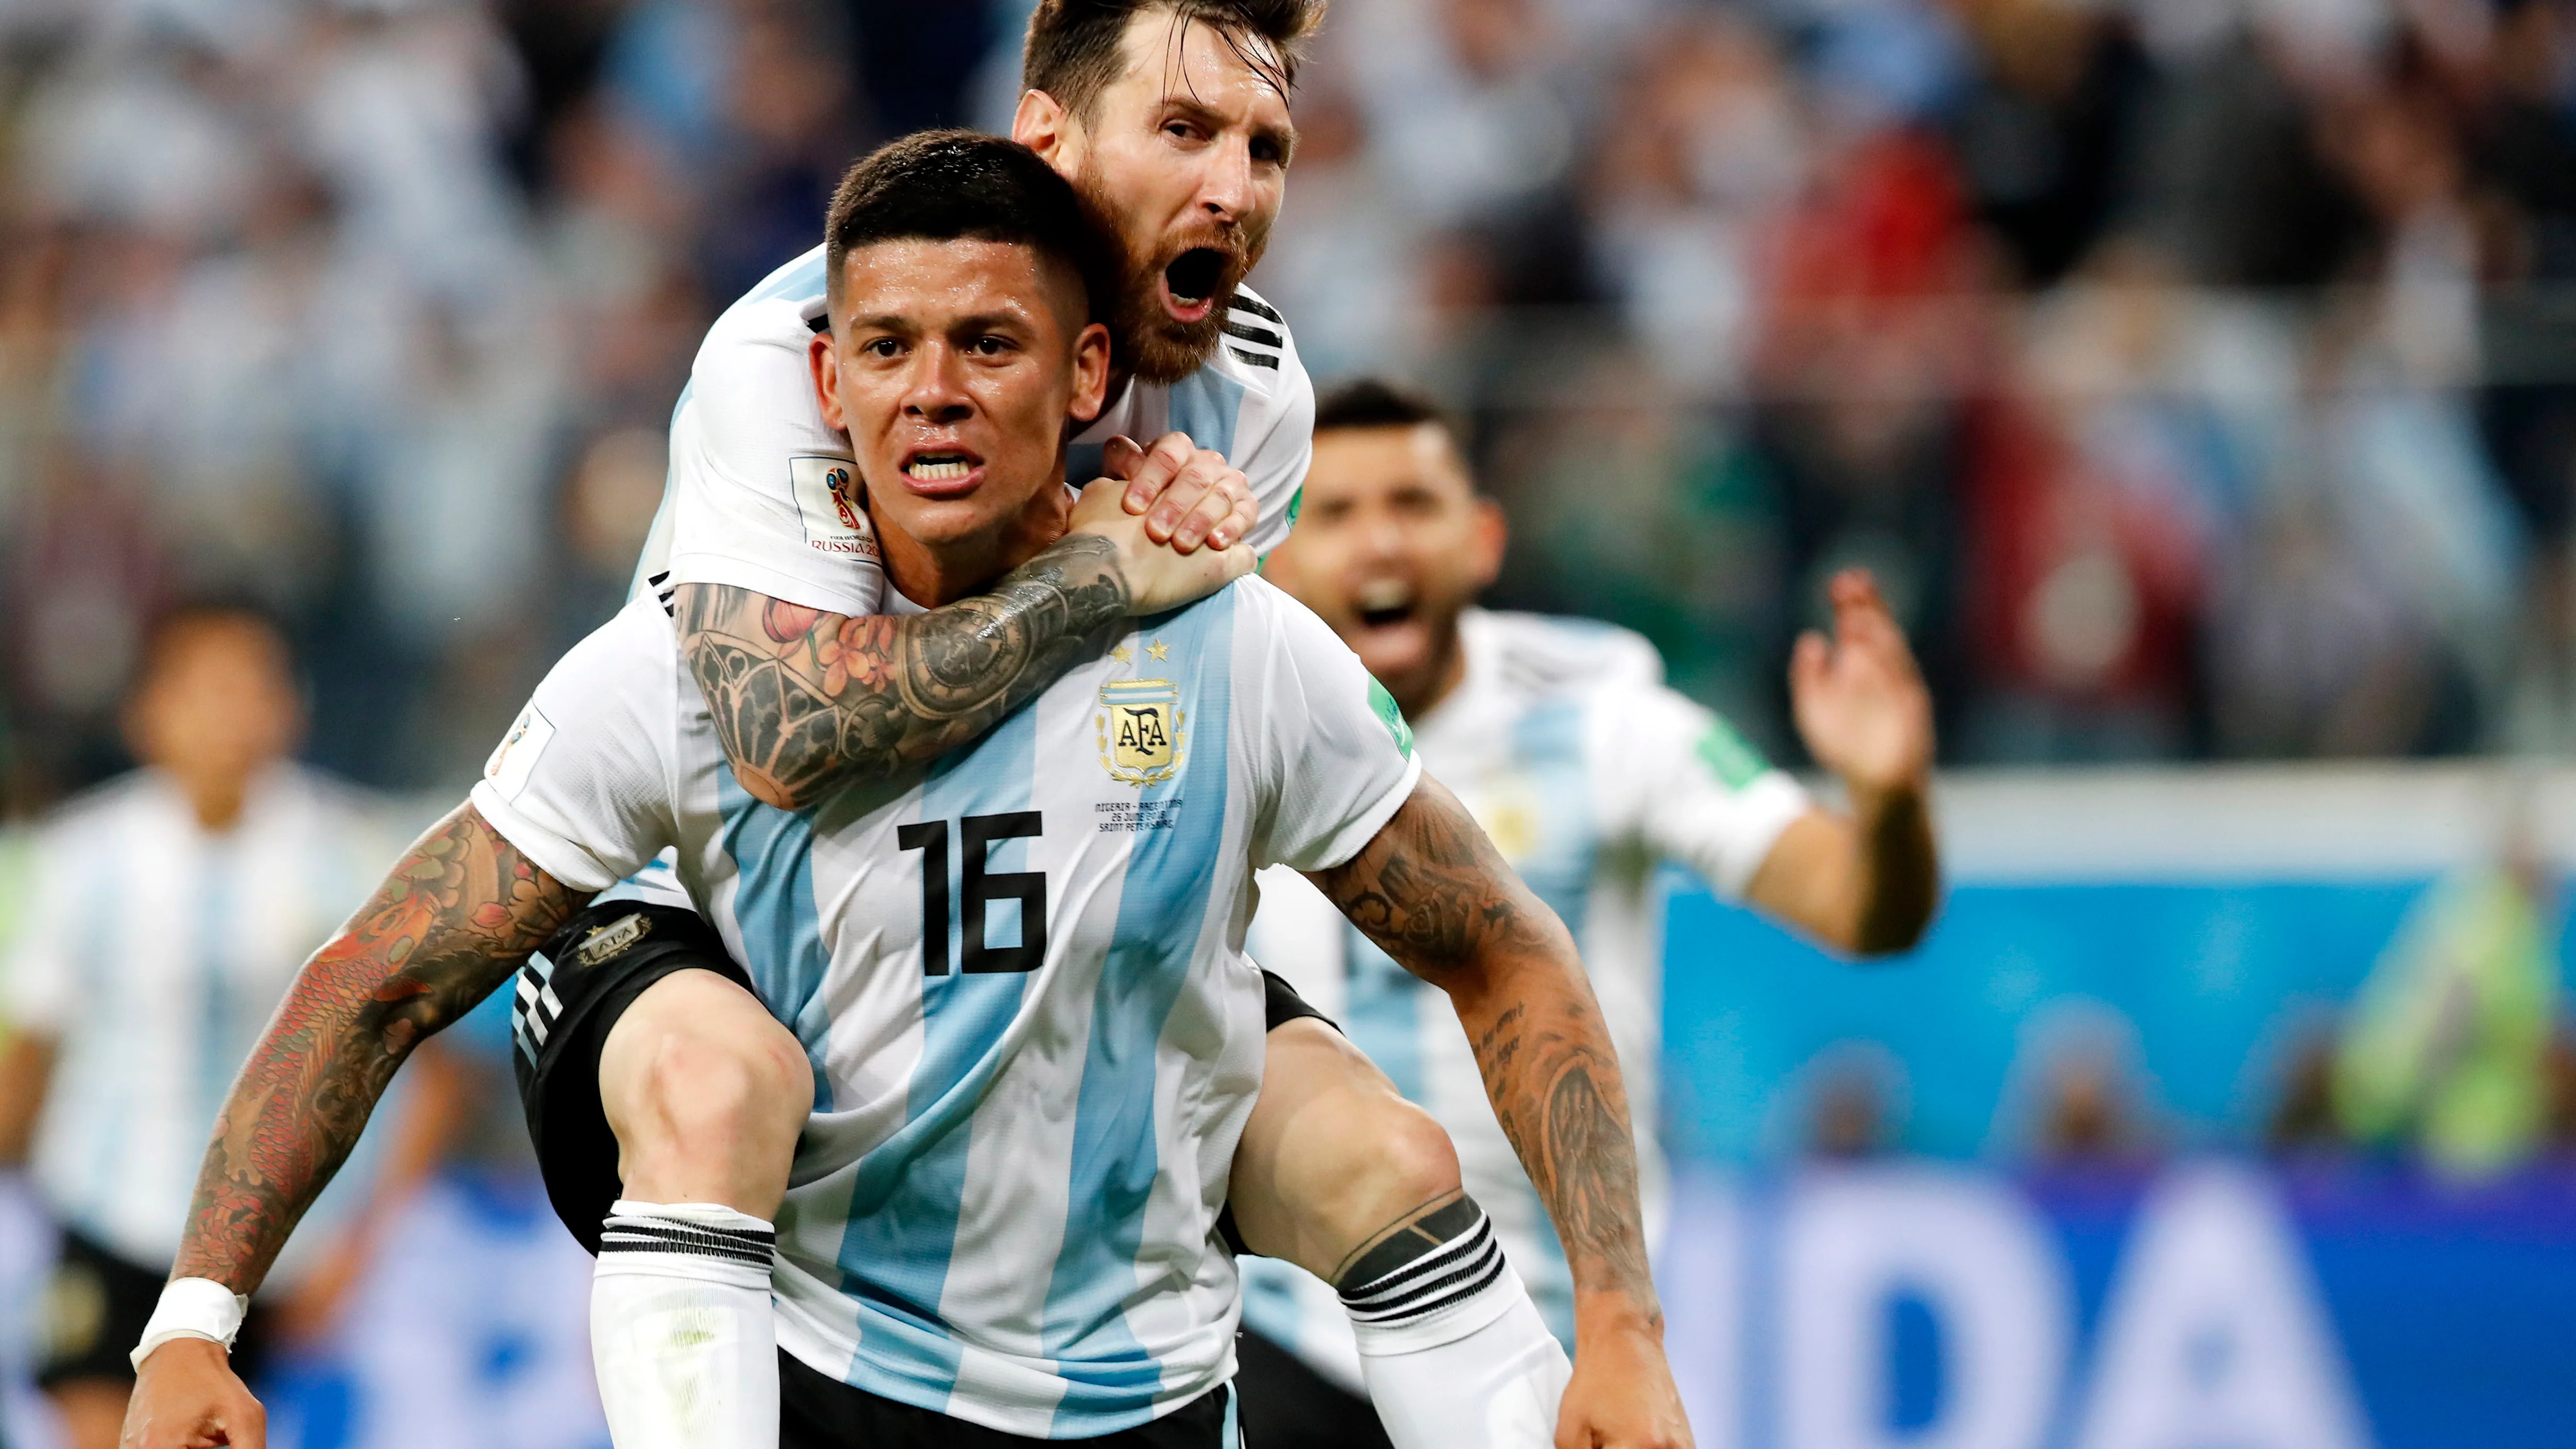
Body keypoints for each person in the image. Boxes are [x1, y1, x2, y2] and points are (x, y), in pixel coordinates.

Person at [122, 134, 1690, 1449]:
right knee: (710, 1078)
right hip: (810, 1328)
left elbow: (1504, 943)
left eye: (987, 343)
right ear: (826, 371)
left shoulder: (1234, 651)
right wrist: (194, 1322)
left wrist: (1618, 1318)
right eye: (887, 345)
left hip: (1122, 1357)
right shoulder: (702, 664)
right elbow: (374, 979)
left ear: (1089, 372)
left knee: (1388, 1161)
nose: (931, 391)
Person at [545, 0, 1572, 1442]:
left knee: (1385, 1152)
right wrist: (1091, 574)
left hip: (988, 889)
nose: (1233, 189)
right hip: (727, 893)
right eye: (1183, 131)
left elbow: (1164, 717)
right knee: (717, 1087)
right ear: (1048, 136)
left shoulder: (1257, 399)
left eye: (1265, 146)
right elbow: (792, 740)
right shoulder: (788, 351)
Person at [1237, 380, 1942, 1443]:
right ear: (1274, 556)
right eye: (1333, 513)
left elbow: (1862, 909)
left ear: (1481, 539)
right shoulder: (1225, 710)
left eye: (1412, 504)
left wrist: (1886, 804)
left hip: (1563, 1340)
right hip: (1292, 1331)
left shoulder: (1601, 714)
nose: (1379, 543)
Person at [0, 606, 458, 1449]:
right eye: (207, 688)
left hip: (273, 1246)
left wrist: (363, 1246)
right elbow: (33, 1053)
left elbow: (432, 1074)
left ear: (291, 708)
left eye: (253, 687)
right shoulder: (83, 857)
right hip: (109, 1216)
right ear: (150, 710)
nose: (231, 713)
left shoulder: (352, 858)